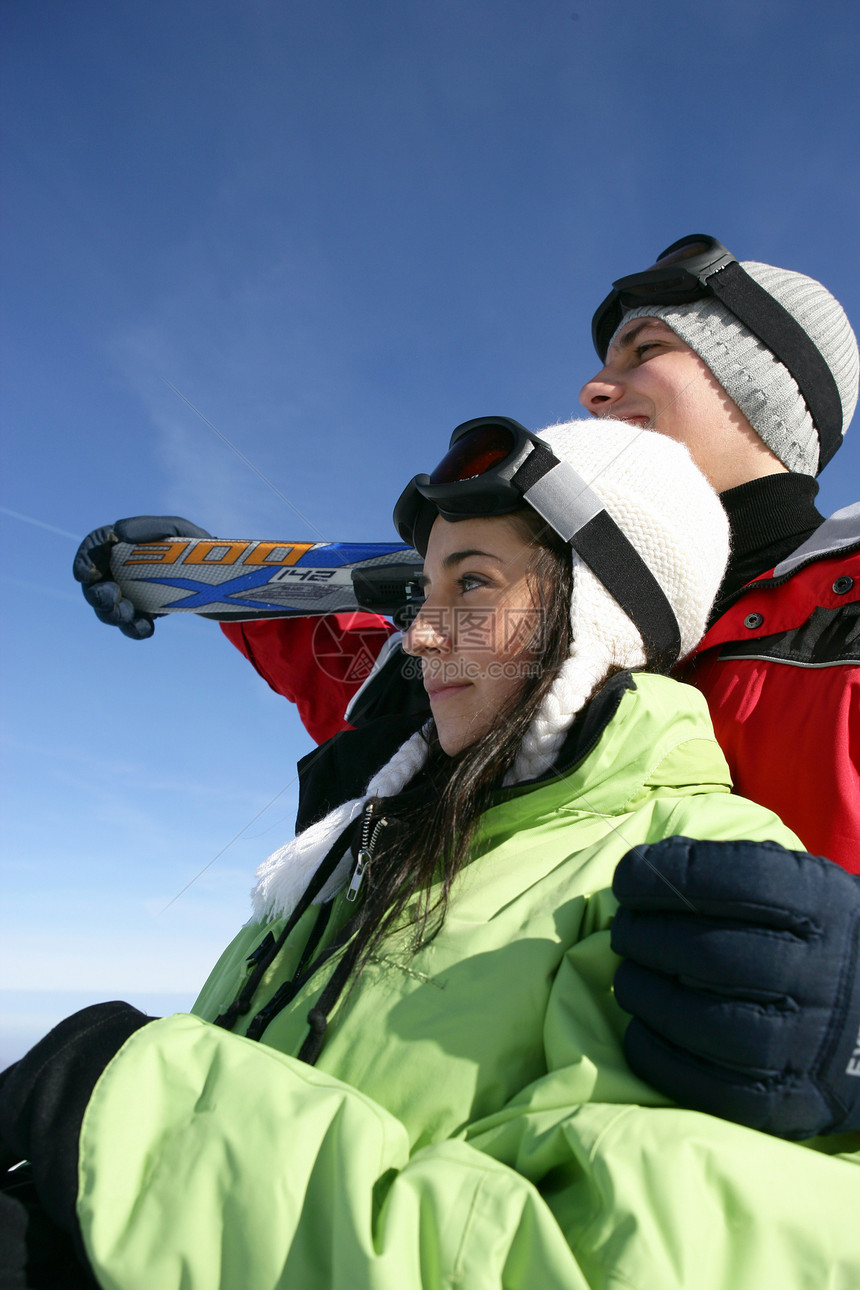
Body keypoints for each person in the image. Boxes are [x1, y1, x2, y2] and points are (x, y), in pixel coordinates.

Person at [7, 418, 859, 1288]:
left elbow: (609, 1258)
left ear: (602, 613)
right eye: (425, 595)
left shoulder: (703, 877)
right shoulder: (378, 833)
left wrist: (119, 1121)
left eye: (475, 584)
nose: (418, 636)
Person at [71, 236, 860, 1143]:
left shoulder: (841, 611)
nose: (594, 387)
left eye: (646, 350)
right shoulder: (533, 610)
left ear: (770, 389)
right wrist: (222, 587)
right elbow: (415, 678)